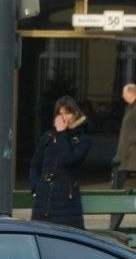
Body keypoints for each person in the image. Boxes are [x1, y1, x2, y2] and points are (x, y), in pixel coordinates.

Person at [28, 96, 92, 229]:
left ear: (75, 114)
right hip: (43, 199)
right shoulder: (48, 137)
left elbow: (67, 158)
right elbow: (35, 164)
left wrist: (62, 133)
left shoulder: (82, 140)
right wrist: (36, 187)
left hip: (66, 201)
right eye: (60, 114)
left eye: (67, 113)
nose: (63, 118)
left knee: (66, 239)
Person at [113, 83, 136, 189]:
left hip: (134, 152)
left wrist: (130, 140)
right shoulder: (132, 108)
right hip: (130, 152)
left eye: (124, 93)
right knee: (120, 177)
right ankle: (115, 196)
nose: (122, 95)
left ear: (130, 93)